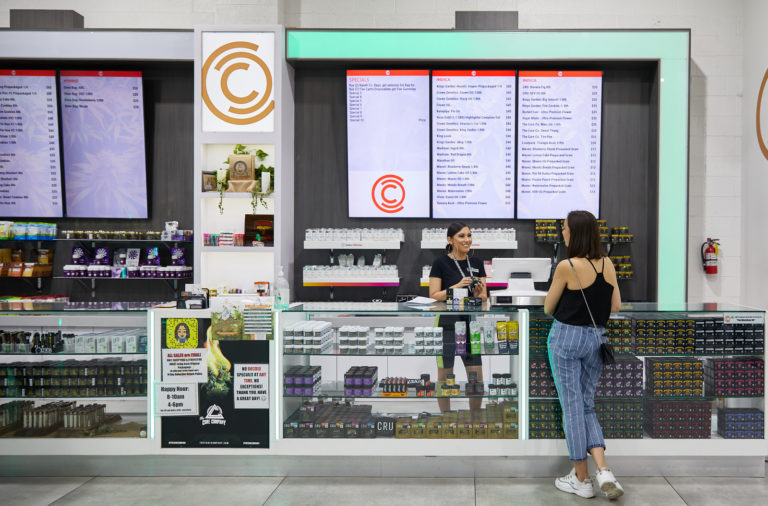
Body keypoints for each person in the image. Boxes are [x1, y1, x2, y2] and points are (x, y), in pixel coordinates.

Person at [543, 210, 623, 500]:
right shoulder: (607, 263)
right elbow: (615, 306)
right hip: (596, 339)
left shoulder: (567, 266)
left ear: (575, 233)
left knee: (572, 407)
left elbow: (548, 308)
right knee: (587, 404)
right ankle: (604, 470)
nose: (562, 232)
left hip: (567, 338)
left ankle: (581, 479)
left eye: (565, 228)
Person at [428, 222, 487, 412]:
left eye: (469, 235)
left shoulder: (477, 263)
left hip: (470, 325)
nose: (467, 239)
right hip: (446, 325)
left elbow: (484, 297)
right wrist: (457, 286)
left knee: (476, 378)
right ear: (450, 240)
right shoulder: (440, 263)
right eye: (461, 236)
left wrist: (478, 294)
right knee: (445, 378)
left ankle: (475, 419)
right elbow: (433, 295)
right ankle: (446, 419)